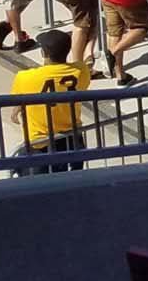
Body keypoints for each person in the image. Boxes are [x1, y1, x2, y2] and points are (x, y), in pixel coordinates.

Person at [9, 28, 91, 173]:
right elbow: (80, 64)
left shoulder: (25, 77)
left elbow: (18, 101)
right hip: (72, 140)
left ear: (43, 53)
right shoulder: (81, 71)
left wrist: (17, 111)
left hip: (40, 143)